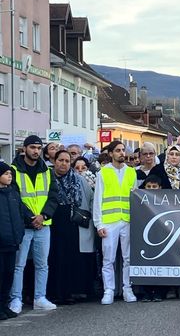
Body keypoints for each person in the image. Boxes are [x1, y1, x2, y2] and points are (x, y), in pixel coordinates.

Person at [9, 135, 59, 314]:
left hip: (43, 224)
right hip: (24, 225)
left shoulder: (47, 171)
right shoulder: (13, 170)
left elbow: (54, 195)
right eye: (32, 148)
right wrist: (32, 217)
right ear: (24, 149)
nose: (36, 151)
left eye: (39, 148)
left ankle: (40, 297)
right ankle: (16, 299)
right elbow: (14, 197)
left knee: (42, 264)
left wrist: (43, 215)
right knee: (18, 265)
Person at [47, 150, 96, 305]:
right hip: (53, 221)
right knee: (53, 257)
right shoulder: (48, 177)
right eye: (61, 160)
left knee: (70, 258)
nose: (64, 164)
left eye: (67, 161)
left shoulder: (78, 179)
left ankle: (69, 292)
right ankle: (53, 292)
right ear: (54, 161)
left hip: (72, 223)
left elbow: (89, 198)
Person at [93, 140, 137, 305]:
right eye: (118, 150)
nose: (121, 153)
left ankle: (127, 288)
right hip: (109, 221)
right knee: (108, 259)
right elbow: (97, 200)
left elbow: (135, 197)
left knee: (128, 258)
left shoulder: (132, 172)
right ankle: (108, 290)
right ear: (111, 154)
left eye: (123, 150)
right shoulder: (103, 173)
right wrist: (99, 224)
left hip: (127, 219)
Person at [0, 162, 32, 320]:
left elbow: (22, 211)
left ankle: (4, 306)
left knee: (8, 275)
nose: (9, 176)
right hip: (1, 242)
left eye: (10, 174)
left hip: (12, 242)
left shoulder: (13, 193)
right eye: (6, 174)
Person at [137, 175, 166, 303]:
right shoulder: (139, 201)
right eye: (149, 187)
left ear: (160, 188)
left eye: (154, 187)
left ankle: (159, 291)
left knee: (161, 261)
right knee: (145, 261)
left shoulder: (166, 201)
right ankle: (147, 292)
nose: (152, 189)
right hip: (144, 234)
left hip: (161, 235)